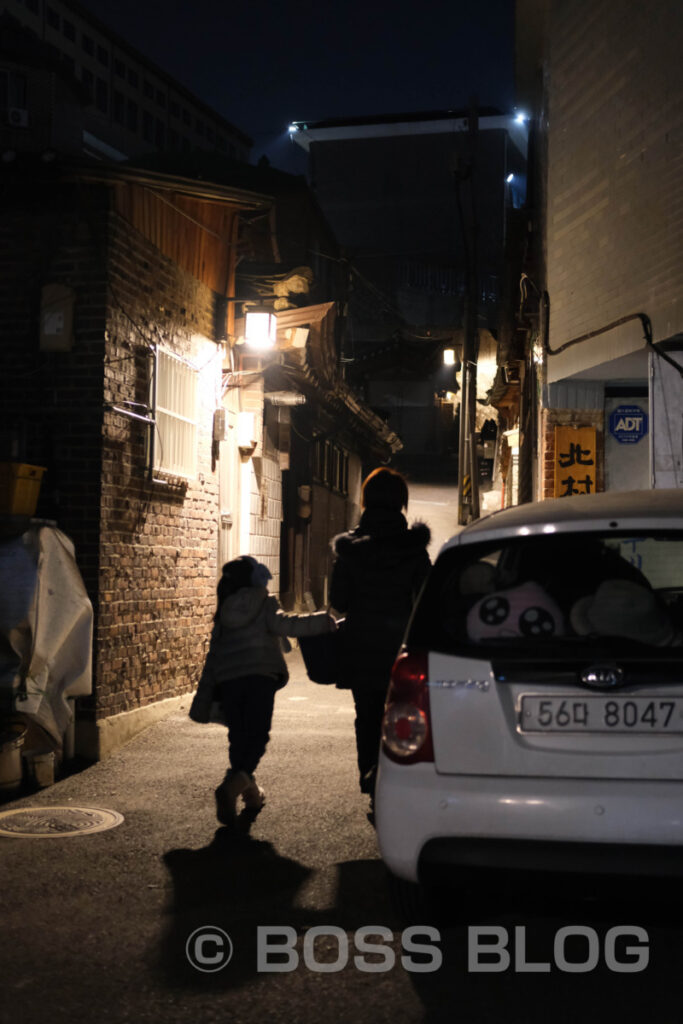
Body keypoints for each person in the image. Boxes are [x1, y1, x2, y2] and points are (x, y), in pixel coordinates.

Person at [190, 555, 336, 826]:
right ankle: (232, 788)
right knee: (257, 737)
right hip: (260, 676)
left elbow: (215, 653)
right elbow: (288, 625)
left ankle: (251, 795)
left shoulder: (224, 610)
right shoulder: (264, 602)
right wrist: (322, 621)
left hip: (230, 680)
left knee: (239, 736)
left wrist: (206, 691)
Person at [329, 468, 431, 818]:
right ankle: (398, 782)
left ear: (366, 501)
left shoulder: (350, 550)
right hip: (403, 649)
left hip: (362, 648)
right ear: (401, 503)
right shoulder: (415, 551)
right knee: (404, 715)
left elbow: (338, 601)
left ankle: (371, 776)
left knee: (368, 714)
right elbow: (428, 600)